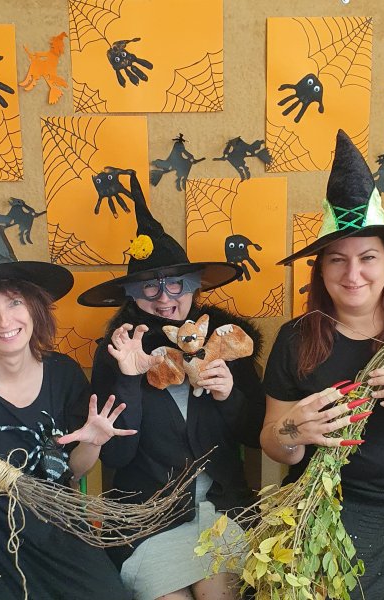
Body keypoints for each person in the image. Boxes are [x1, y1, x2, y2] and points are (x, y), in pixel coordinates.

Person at [261, 130, 384, 598]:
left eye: (367, 257)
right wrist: (295, 430)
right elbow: (274, 443)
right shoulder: (296, 338)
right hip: (333, 509)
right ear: (320, 267)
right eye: (337, 260)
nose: (353, 275)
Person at [0, 186, 132, 599]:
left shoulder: (64, 375)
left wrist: (93, 442)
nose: (4, 321)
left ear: (34, 307)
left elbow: (71, 471)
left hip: (55, 538)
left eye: (14, 302)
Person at [76, 172, 266, 600]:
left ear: (193, 285)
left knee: (218, 591)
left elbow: (256, 434)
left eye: (175, 283)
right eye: (150, 287)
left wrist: (228, 395)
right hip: (148, 521)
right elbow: (117, 456)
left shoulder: (226, 341)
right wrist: (128, 379)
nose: (164, 298)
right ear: (133, 294)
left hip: (222, 513)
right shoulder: (118, 350)